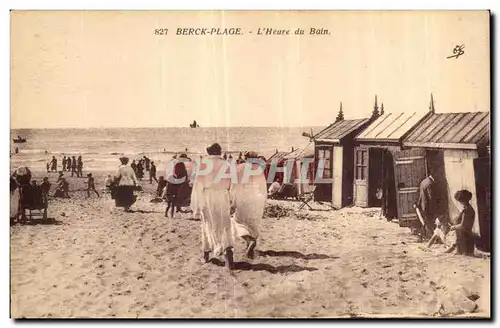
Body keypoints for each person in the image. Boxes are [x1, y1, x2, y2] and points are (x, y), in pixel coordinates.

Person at [191, 143, 235, 270]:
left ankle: (206, 255)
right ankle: (229, 257)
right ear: (219, 152)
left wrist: (197, 206)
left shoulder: (204, 165)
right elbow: (233, 184)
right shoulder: (226, 164)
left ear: (209, 152)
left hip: (208, 197)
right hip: (223, 197)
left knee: (207, 225)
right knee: (225, 225)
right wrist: (232, 201)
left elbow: (198, 186)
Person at [230, 151, 267, 259]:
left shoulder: (238, 168)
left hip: (242, 198)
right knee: (253, 223)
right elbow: (262, 188)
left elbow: (234, 186)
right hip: (255, 199)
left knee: (238, 222)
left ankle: (249, 241)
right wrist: (263, 201)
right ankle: (249, 247)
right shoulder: (258, 170)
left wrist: (232, 201)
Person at [446, 190, 476, 256]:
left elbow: (463, 226)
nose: (459, 203)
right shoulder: (467, 209)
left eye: (460, 201)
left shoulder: (467, 211)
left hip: (465, 239)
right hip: (463, 238)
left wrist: (453, 227)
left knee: (465, 256)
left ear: (463, 200)